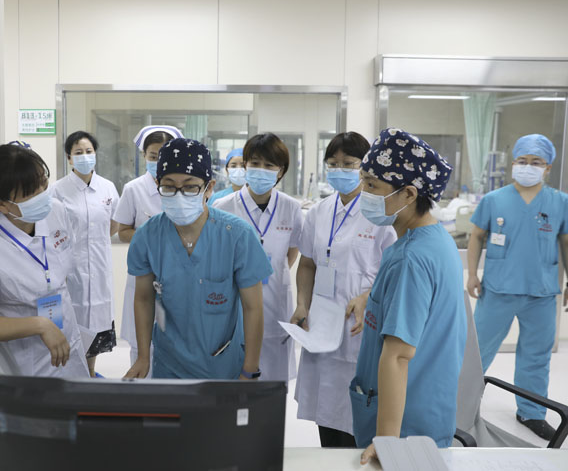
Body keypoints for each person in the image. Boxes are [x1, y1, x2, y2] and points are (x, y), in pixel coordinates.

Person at [352, 128, 466, 464]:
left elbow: (398, 356)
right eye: (363, 181)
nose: (362, 192)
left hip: (404, 428)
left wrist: (387, 442)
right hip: (426, 408)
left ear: (408, 194)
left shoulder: (411, 259)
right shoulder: (435, 240)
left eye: (372, 185)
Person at [123, 137, 272, 380]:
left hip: (223, 365)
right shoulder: (148, 236)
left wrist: (250, 368)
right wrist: (143, 357)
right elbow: (143, 298)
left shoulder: (237, 236)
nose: (178, 195)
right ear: (158, 184)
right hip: (169, 363)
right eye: (169, 186)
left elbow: (253, 307)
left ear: (209, 187)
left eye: (190, 187)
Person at [292, 132, 396, 448]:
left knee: (357, 409)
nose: (340, 169)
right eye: (333, 163)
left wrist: (366, 297)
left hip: (361, 325)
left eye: (348, 163)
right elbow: (307, 263)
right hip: (322, 322)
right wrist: (302, 304)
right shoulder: (319, 211)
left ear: (365, 166)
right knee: (325, 408)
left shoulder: (382, 213)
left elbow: (394, 271)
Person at [0, 142, 88, 378]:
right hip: (23, 364)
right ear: (2, 204)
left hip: (68, 344)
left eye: (43, 183)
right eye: (31, 192)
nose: (43, 194)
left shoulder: (56, 211)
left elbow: (59, 276)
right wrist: (40, 325)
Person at [467, 133, 568, 440]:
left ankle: (531, 413)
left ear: (547, 168)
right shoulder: (494, 200)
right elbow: (476, 236)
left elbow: (565, 243)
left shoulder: (560, 202)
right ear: (513, 163)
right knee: (476, 352)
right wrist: (472, 275)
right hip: (498, 289)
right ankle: (460, 405)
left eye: (536, 162)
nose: (528, 166)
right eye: (522, 160)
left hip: (541, 292)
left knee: (536, 356)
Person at [213, 134, 303, 382]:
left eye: (269, 165)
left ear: (280, 171)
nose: (261, 170)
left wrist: (269, 271)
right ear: (245, 165)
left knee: (273, 383)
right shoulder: (223, 207)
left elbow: (292, 251)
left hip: (276, 302)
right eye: (255, 163)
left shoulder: (291, 208)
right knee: (234, 380)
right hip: (234, 303)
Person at [50, 131, 120, 377]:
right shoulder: (58, 190)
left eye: (89, 151)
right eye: (78, 152)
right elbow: (51, 228)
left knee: (97, 322)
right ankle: (72, 375)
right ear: (69, 158)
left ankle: (90, 372)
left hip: (99, 267)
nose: (84, 156)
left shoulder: (107, 187)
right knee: (72, 320)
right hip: (70, 269)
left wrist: (95, 242)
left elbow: (115, 223)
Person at [114, 125, 183, 368]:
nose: (159, 161)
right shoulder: (134, 189)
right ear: (144, 156)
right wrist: (151, 237)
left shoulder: (185, 187)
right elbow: (123, 231)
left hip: (179, 274)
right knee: (141, 343)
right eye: (153, 156)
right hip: (144, 273)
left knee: (177, 343)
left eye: (165, 155)